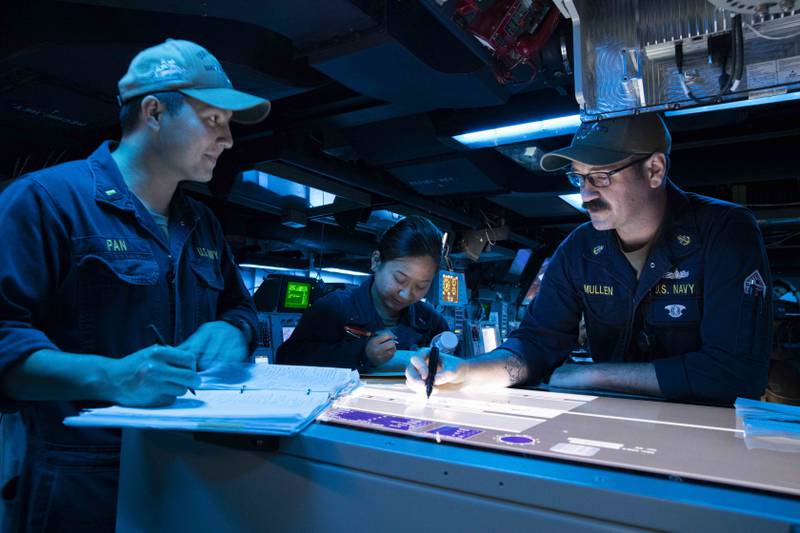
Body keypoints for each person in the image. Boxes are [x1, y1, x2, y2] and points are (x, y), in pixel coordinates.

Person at [0, 39, 269, 531]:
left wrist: (235, 331)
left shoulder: (202, 222)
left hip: (189, 466)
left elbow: (242, 309)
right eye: (214, 120)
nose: (228, 140)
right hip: (82, 479)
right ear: (154, 112)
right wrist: (111, 377)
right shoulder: (45, 202)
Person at [407, 113, 772, 405]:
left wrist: (595, 375)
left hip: (706, 436)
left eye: (600, 175)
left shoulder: (724, 232)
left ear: (655, 170)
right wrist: (465, 370)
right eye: (578, 177)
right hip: (608, 426)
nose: (585, 194)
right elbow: (536, 344)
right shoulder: (578, 250)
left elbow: (735, 373)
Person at [277, 216, 451, 371]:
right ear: (376, 261)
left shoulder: (433, 324)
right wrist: (361, 353)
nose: (406, 294)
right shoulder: (333, 309)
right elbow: (287, 359)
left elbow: (451, 370)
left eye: (421, 286)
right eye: (400, 279)